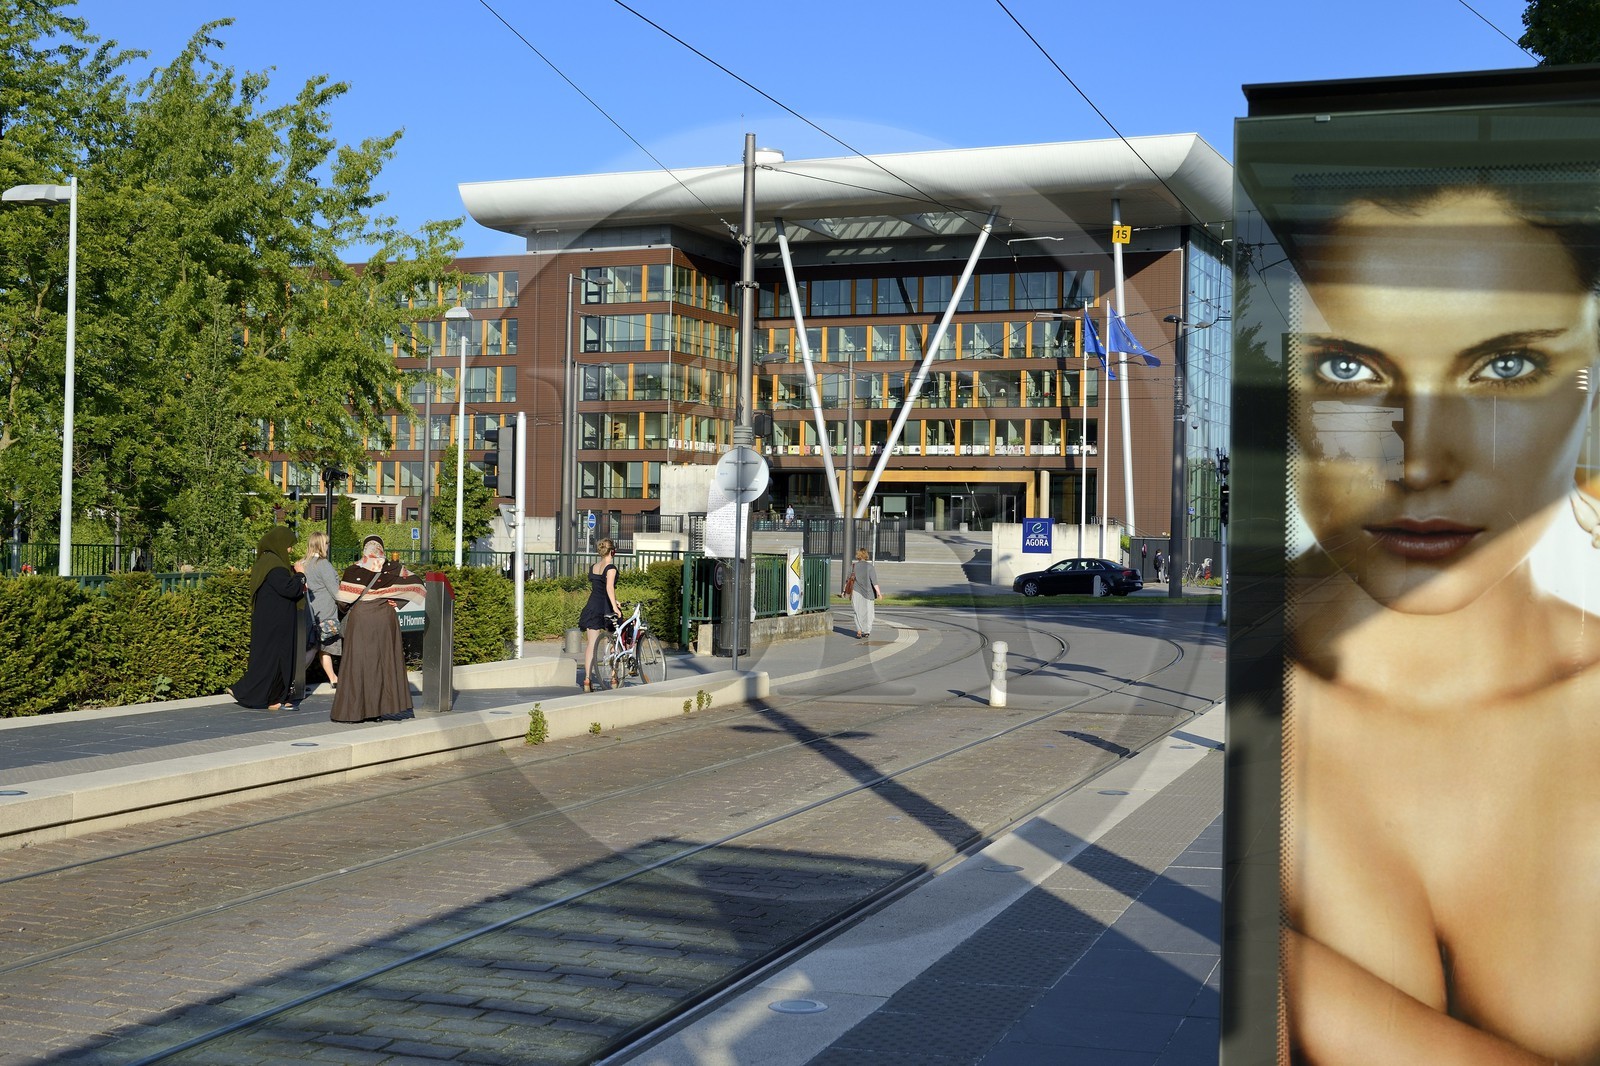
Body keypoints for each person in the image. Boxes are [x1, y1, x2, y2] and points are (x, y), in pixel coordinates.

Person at [1278, 170, 1600, 1063]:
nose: (1419, 459)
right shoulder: (1256, 702)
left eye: (1505, 366)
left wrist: (1314, 995)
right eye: (1347, 369)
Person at [330, 535, 424, 723]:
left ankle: (354, 712)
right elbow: (418, 585)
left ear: (365, 549)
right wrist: (397, 601)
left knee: (357, 664)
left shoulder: (353, 569)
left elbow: (342, 602)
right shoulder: (394, 569)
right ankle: (379, 711)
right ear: (381, 548)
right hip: (384, 620)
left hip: (361, 621)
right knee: (383, 664)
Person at [230, 526, 306, 710]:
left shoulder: (267, 562)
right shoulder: (275, 566)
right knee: (274, 659)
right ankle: (247, 692)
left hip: (270, 620)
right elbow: (288, 588)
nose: (290, 550)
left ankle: (273, 698)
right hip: (276, 622)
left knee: (268, 659)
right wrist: (301, 574)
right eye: (289, 545)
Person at [579, 538, 624, 691]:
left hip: (592, 606)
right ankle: (613, 677)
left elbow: (599, 589)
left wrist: (614, 600)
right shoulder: (610, 567)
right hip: (606, 608)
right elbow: (609, 589)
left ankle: (587, 679)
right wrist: (615, 607)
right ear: (613, 551)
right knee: (613, 642)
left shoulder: (594, 567)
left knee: (591, 644)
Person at [301, 531, 342, 689]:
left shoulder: (304, 563)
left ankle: (333, 678)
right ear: (320, 545)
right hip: (324, 613)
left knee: (322, 647)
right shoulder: (323, 564)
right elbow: (335, 590)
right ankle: (292, 680)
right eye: (326, 543)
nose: (328, 546)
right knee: (315, 646)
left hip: (310, 612)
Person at [848, 547, 880, 640]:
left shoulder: (853, 566)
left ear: (858, 555)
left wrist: (844, 592)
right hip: (869, 593)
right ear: (866, 555)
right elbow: (874, 582)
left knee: (857, 612)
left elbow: (848, 580)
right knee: (869, 613)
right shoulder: (870, 567)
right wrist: (879, 593)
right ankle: (867, 631)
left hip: (856, 592)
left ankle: (859, 630)